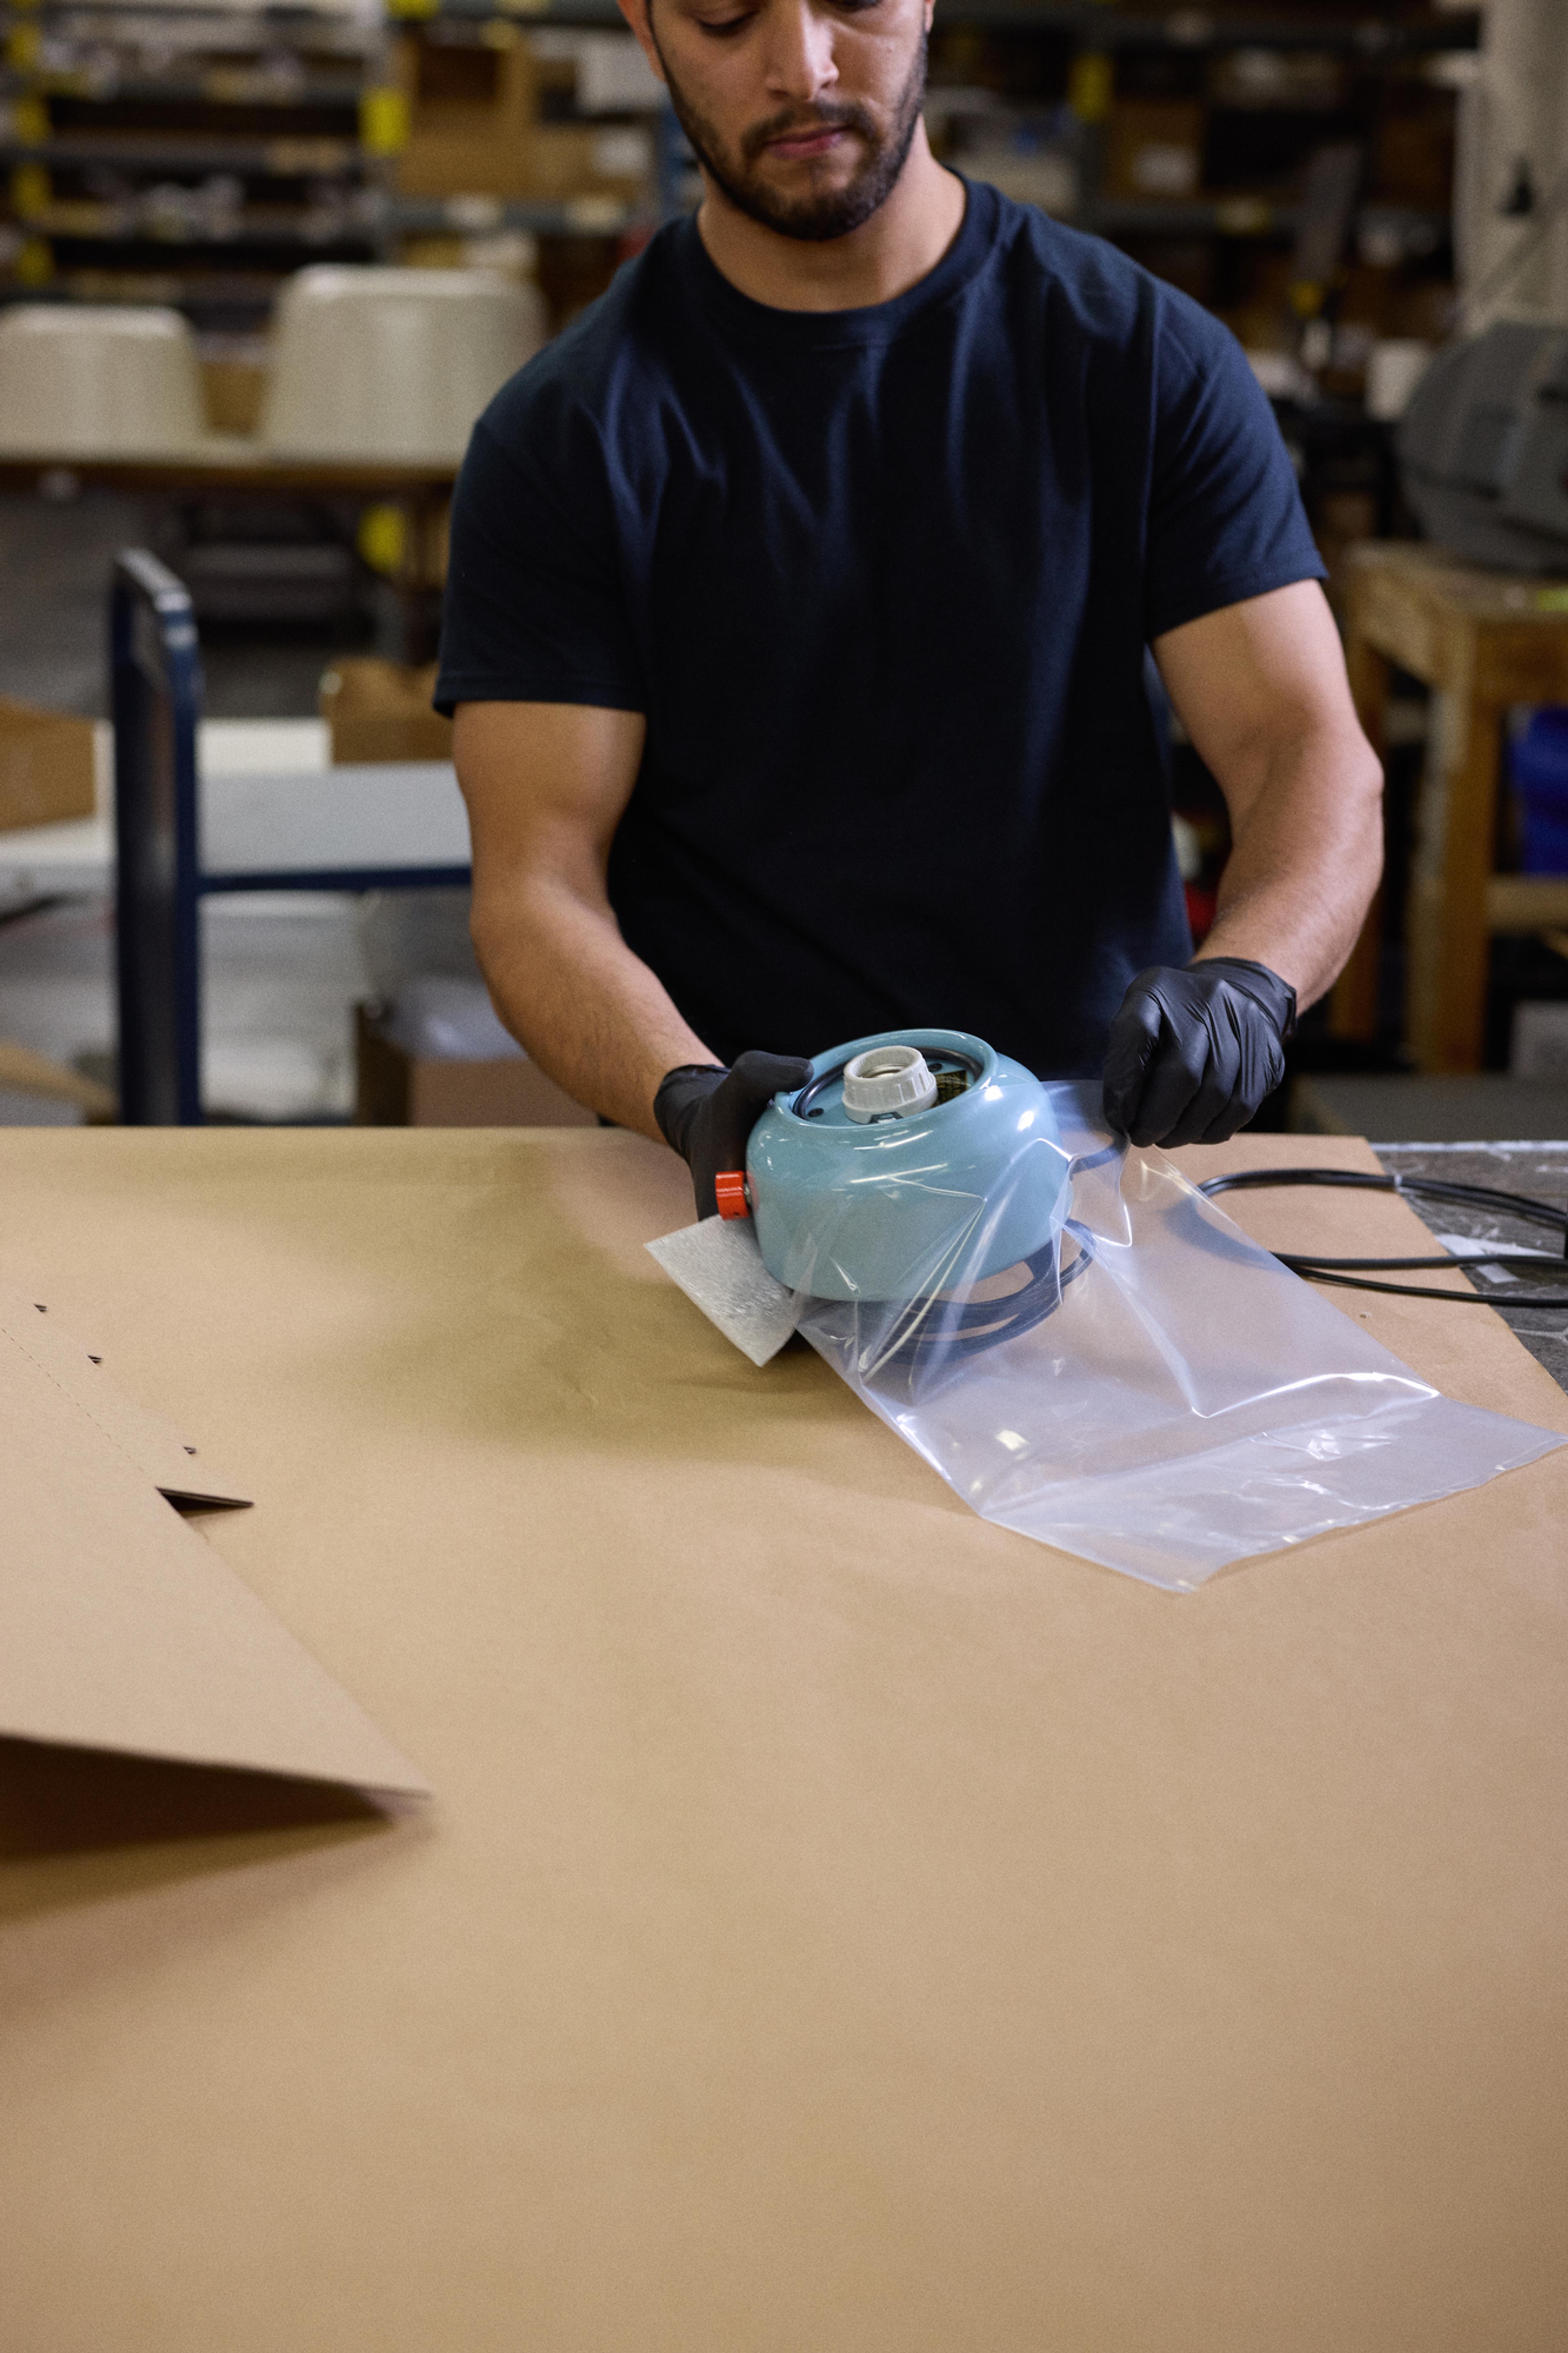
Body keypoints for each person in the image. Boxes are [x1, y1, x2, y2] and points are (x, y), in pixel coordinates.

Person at [436, 0, 1383, 1218]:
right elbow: (537, 886)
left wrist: (1252, 981)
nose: (804, 65)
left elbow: (1302, 746)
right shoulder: (567, 439)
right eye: (727, 16)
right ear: (645, 25)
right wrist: (689, 1098)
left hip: (1097, 1164)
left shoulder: (1140, 362)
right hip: (737, 1185)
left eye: (854, 1)